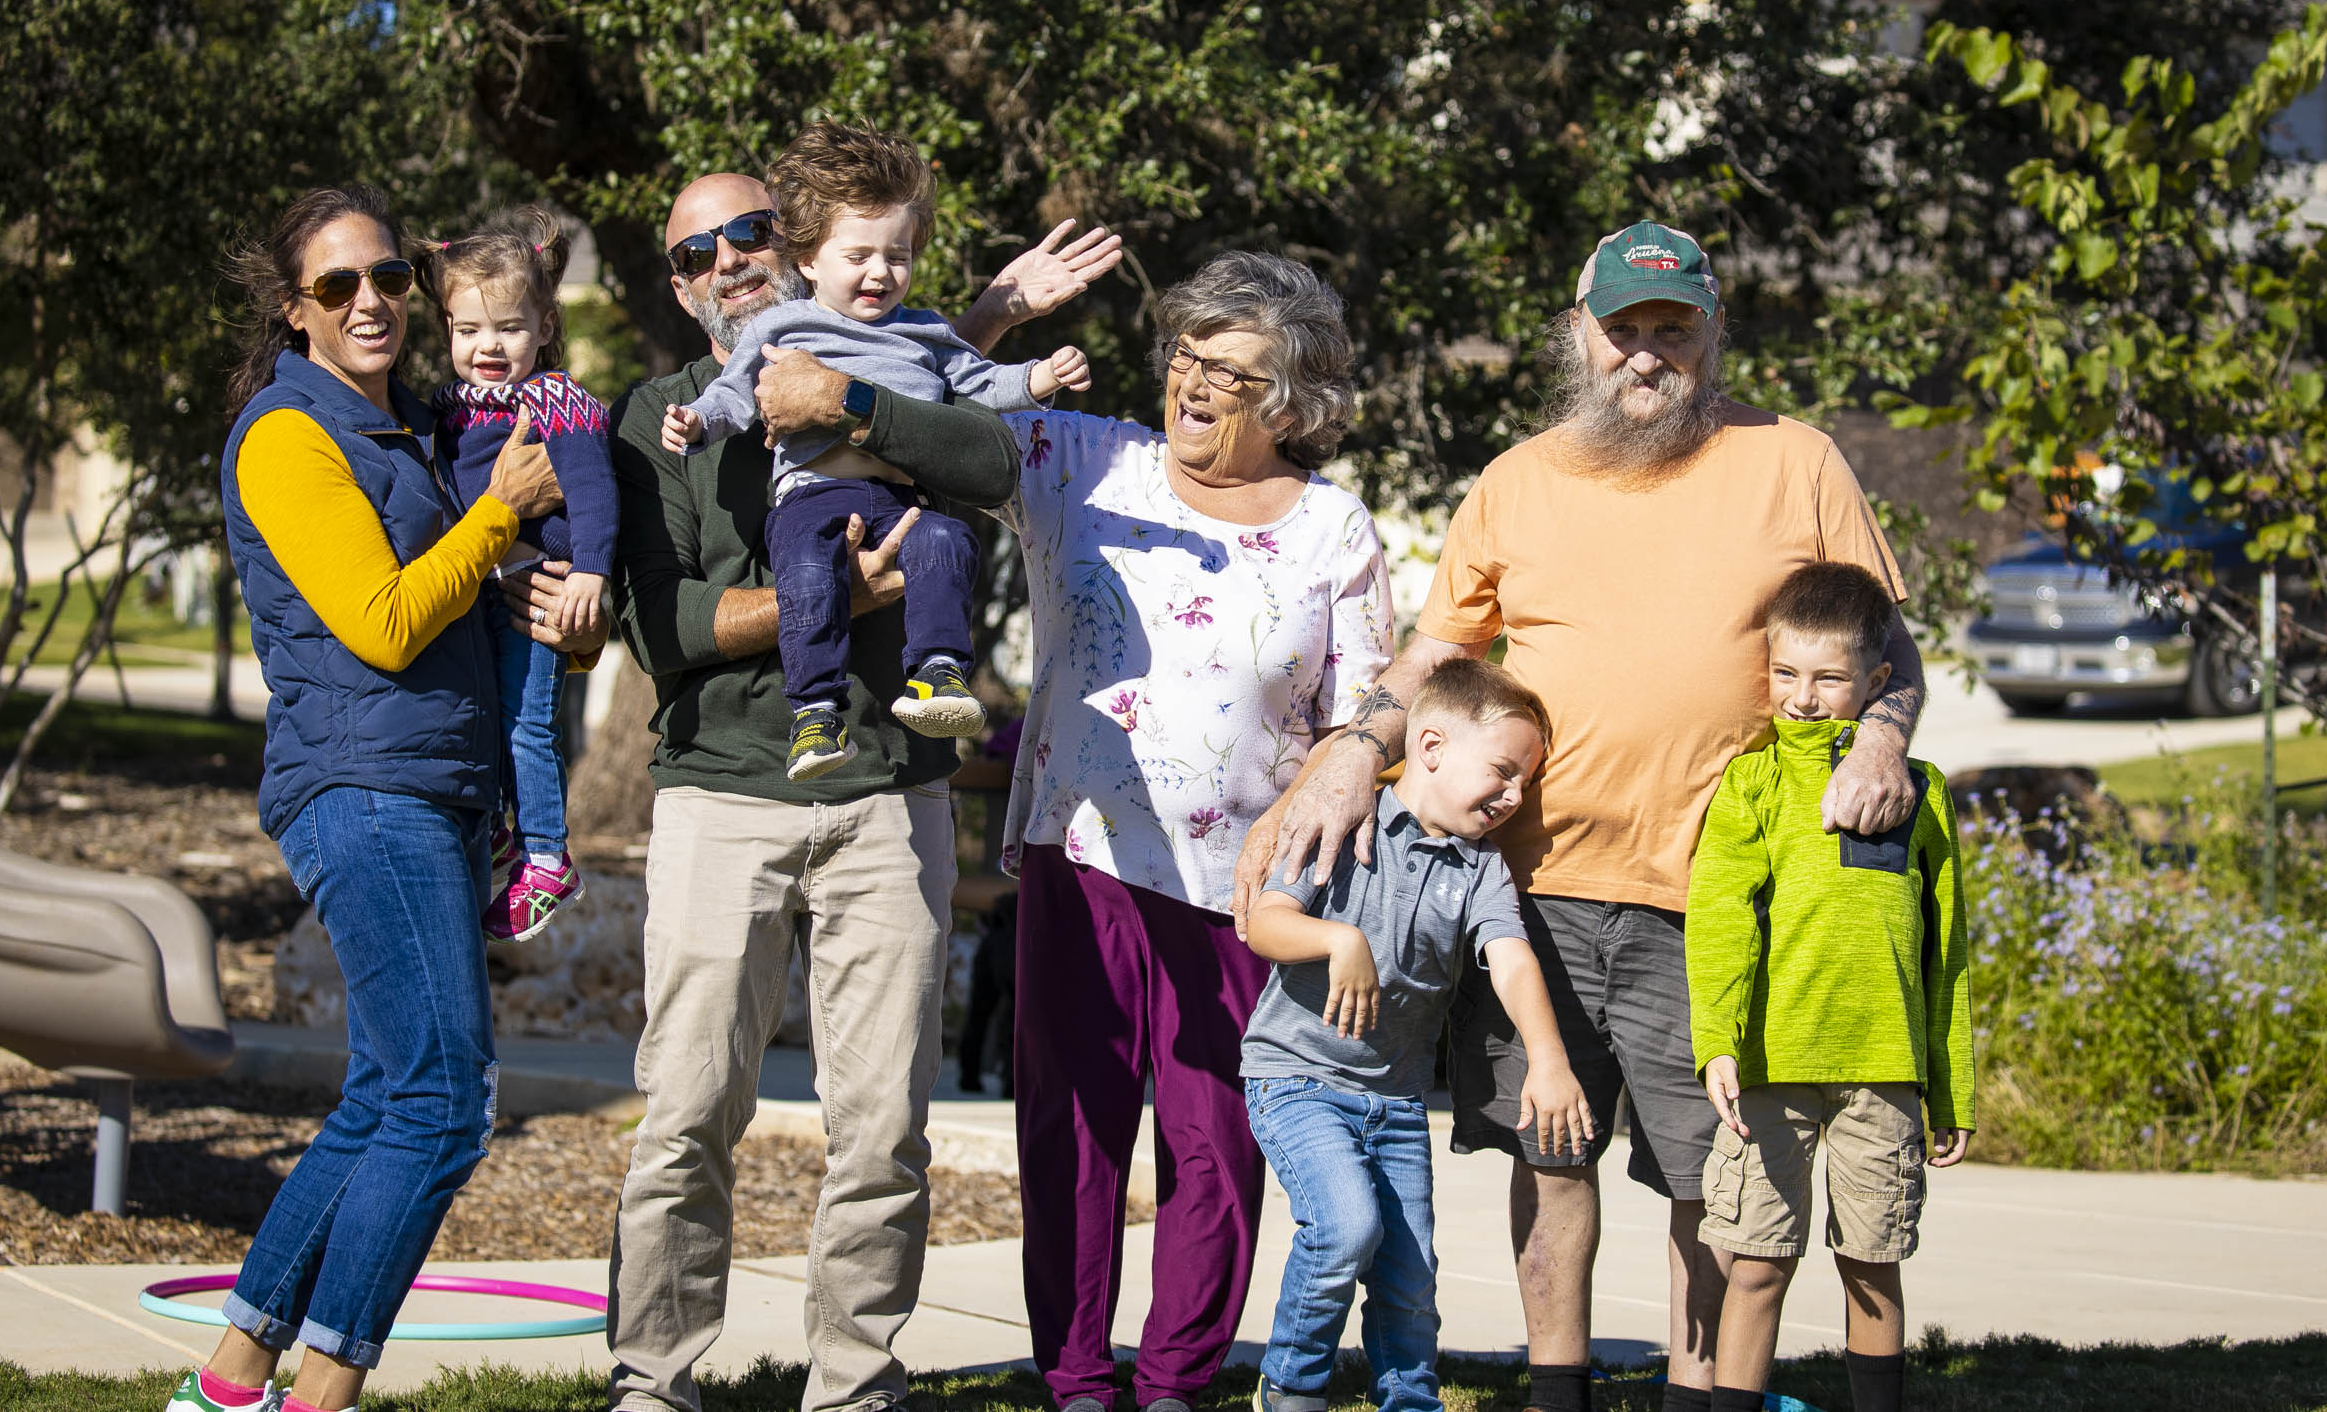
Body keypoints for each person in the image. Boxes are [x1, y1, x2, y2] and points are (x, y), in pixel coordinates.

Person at [1243, 221, 1927, 1412]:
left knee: (1702, 1172)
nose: (1647, 355)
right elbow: (1440, 653)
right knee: (1547, 1151)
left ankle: (1693, 1391)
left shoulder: (1798, 460)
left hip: (1710, 892)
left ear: (1712, 333)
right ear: (1580, 333)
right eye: (1624, 331)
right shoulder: (1518, 478)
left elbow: (1888, 652)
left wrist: (1880, 735)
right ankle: (1555, 1389)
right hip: (1531, 889)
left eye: (1673, 328)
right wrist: (1356, 751)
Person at [600, 167, 1121, 1412]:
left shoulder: (886, 363)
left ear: (788, 245)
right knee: (684, 1108)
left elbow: (989, 455)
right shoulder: (663, 412)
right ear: (677, 287)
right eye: (692, 251)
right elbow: (660, 623)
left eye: (747, 232)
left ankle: (854, 1380)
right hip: (722, 792)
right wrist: (829, 604)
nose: (724, 258)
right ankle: (653, 1377)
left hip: (893, 792)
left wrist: (847, 398)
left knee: (882, 1120)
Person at [169, 184, 563, 1412]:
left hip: (427, 786)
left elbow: (469, 611)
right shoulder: (289, 435)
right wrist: (503, 511)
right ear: (296, 311)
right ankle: (326, 1386)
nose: (371, 301)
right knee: (448, 1099)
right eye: (337, 286)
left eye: (387, 275)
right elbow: (386, 623)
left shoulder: (420, 427)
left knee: (391, 1091)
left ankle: (234, 1377)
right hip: (363, 783)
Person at [982, 251, 1395, 1412]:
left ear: (1293, 402)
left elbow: (1361, 715)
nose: (1195, 382)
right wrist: (999, 311)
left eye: (1231, 370)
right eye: (1186, 354)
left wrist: (1328, 824)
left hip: (1245, 887)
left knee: (1215, 1145)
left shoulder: (1334, 527)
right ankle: (1073, 1374)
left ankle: (1174, 1380)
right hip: (1087, 854)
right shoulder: (1081, 456)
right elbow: (932, 411)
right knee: (1072, 1128)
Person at [659, 122, 1093, 777]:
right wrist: (695, 423)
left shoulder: (923, 330)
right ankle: (814, 711)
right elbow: (731, 395)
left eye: (897, 256)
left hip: (897, 502)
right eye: (696, 253)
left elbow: (977, 388)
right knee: (809, 574)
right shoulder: (783, 329)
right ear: (812, 259)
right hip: (811, 500)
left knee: (947, 542)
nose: (880, 272)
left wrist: (1039, 376)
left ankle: (939, 673)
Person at [1242, 659, 1592, 1412]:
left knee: (1409, 1276)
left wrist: (1550, 1059)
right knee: (1344, 1228)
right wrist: (1339, 940)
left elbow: (1512, 960)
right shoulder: (1341, 813)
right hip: (1297, 1079)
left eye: (1526, 782)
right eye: (1503, 771)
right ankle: (1291, 1387)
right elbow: (1265, 923)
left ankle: (1410, 1397)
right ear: (1429, 746)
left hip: (1395, 1100)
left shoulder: (1479, 867)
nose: (1514, 796)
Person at [1687, 563, 1973, 1412]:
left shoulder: (1920, 793)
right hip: (1770, 1072)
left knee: (1873, 1262)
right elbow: (1720, 923)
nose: (1803, 697)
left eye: (1827, 677)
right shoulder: (1751, 783)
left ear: (1877, 681)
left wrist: (1948, 1084)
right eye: (1785, 674)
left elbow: (1947, 954)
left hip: (1883, 1073)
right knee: (1758, 1262)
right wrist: (1719, 1044)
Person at [427, 207, 617, 940]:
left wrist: (591, 573)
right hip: (476, 582)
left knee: (526, 722)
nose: (487, 347)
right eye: (467, 330)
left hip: (537, 586)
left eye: (508, 327)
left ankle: (546, 854)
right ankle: (504, 827)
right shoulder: (450, 410)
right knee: (484, 709)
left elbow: (595, 492)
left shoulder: (555, 402)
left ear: (543, 325)